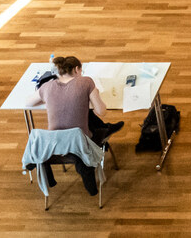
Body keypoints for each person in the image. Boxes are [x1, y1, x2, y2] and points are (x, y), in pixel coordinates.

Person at [25, 56, 123, 195]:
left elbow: (28, 103)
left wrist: (48, 100)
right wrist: (90, 101)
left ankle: (42, 168)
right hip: (79, 143)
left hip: (53, 145)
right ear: (77, 69)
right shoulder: (86, 82)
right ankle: (85, 166)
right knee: (97, 127)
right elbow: (102, 111)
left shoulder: (47, 86)